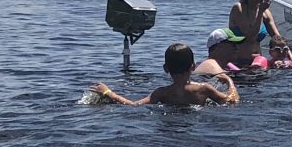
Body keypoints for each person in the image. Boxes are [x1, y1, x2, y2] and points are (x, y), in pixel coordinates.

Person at [91, 43, 239, 106]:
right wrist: (229, 81)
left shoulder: (161, 93)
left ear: (165, 68)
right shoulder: (204, 89)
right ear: (193, 67)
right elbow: (231, 101)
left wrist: (108, 93)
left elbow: (133, 105)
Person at [229, 0, 282, 67]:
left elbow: (277, 38)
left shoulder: (265, 12)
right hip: (241, 63)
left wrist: (289, 57)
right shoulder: (238, 9)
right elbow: (250, 38)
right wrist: (260, 12)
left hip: (258, 61)